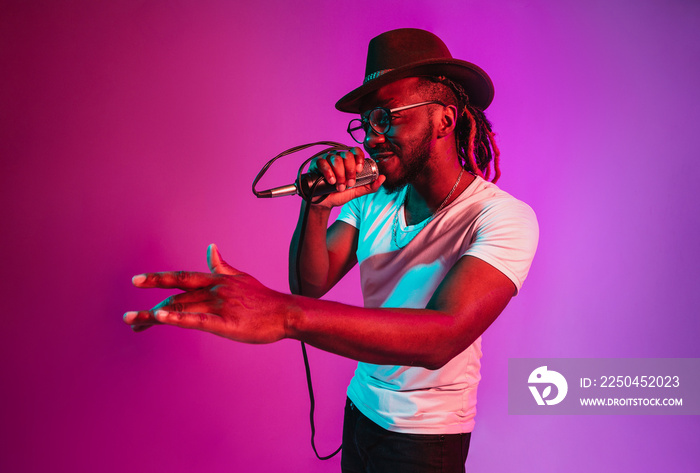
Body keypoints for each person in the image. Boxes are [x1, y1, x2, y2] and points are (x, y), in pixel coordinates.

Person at [124, 28, 538, 473]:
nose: (372, 138)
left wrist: (284, 315)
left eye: (387, 117)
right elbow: (309, 285)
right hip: (360, 412)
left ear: (444, 120)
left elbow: (442, 336)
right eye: (367, 122)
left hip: (424, 437)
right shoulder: (373, 196)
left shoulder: (501, 218)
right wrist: (315, 207)